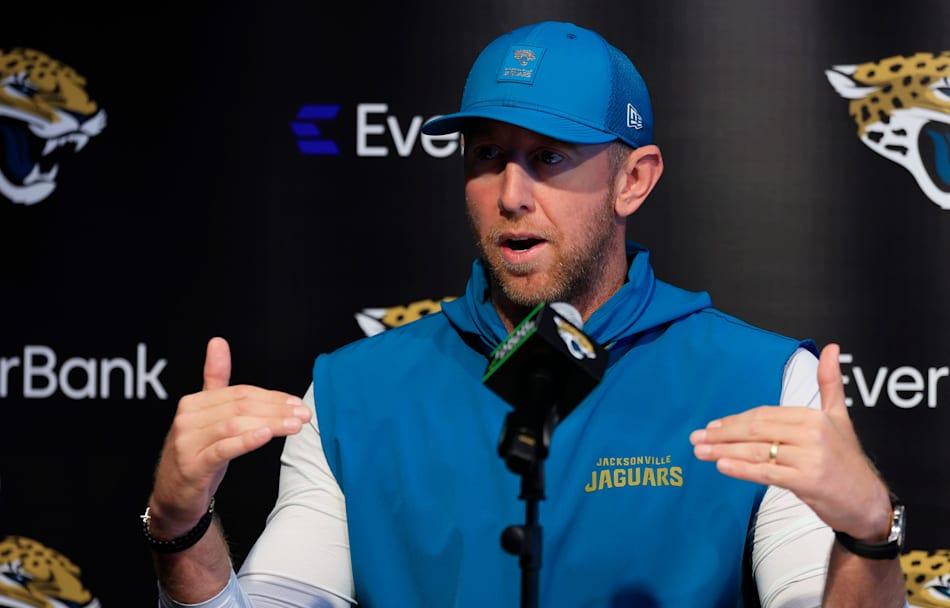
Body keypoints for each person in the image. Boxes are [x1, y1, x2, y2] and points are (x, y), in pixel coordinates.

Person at [145, 20, 907, 607]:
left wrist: (868, 534)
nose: (511, 194)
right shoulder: (352, 393)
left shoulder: (761, 382)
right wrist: (180, 529)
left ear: (633, 180)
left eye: (549, 157)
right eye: (487, 156)